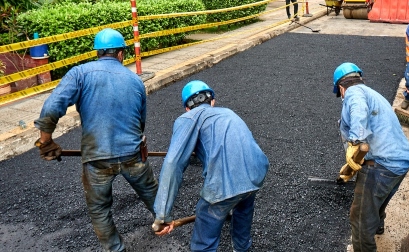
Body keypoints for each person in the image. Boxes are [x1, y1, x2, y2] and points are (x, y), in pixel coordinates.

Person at [33, 28, 158, 252]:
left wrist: (46, 141)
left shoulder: (79, 74)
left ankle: (115, 248)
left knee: (100, 209)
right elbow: (140, 124)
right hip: (133, 155)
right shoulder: (135, 80)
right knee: (153, 194)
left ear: (98, 52)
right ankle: (164, 221)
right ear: (121, 54)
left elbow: (52, 107)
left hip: (97, 158)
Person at [152, 80, 269, 252]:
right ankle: (242, 248)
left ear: (187, 107)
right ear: (212, 101)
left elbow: (173, 163)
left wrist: (162, 215)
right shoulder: (228, 113)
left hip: (224, 184)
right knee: (243, 208)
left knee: (205, 229)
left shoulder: (187, 118)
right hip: (256, 174)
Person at [332, 62, 409, 252]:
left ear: (340, 87)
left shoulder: (354, 93)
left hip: (381, 166)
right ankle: (378, 225)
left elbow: (358, 112)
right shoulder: (373, 94)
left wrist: (355, 141)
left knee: (360, 219)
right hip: (400, 163)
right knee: (378, 201)